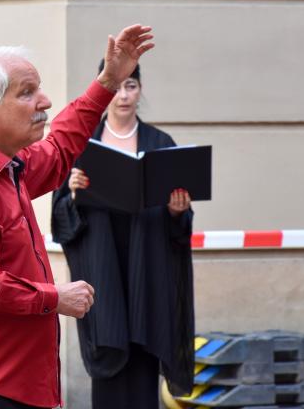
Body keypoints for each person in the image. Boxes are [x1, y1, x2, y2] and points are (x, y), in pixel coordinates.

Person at [0, 25, 155, 409]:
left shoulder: (9, 166)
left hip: (15, 384)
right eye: (27, 92)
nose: (44, 101)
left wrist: (109, 80)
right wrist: (54, 297)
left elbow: (60, 146)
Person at [51, 61, 195, 409]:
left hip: (148, 272)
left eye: (131, 86)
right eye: (116, 86)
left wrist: (177, 210)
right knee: (110, 363)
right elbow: (60, 222)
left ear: (140, 90)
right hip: (104, 273)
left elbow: (181, 224)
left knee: (144, 362)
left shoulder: (161, 143)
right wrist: (71, 193)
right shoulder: (83, 146)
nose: (123, 95)